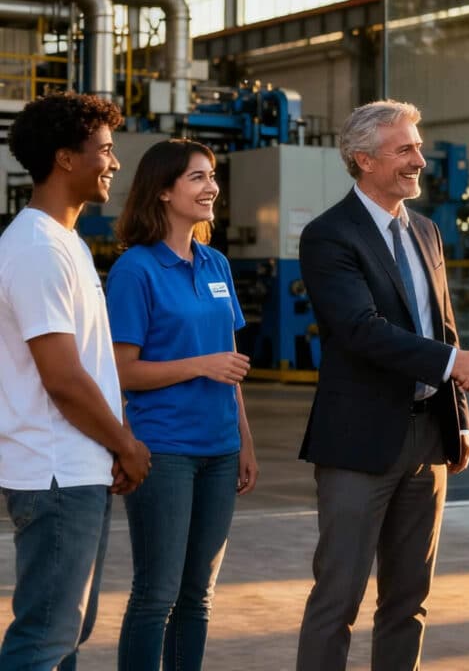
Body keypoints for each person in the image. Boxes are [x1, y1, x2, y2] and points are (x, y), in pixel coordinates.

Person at [295, 100, 469, 671]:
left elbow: (444, 326)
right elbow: (361, 330)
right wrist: (456, 363)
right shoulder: (328, 236)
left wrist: (458, 420)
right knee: (337, 600)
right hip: (358, 444)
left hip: (428, 441)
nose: (420, 160)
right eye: (405, 149)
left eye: (418, 145)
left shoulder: (427, 231)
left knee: (409, 602)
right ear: (363, 159)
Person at [0, 92, 151, 671]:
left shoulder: (68, 244)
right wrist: (126, 443)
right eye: (106, 151)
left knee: (66, 632)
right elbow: (62, 378)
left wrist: (111, 444)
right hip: (55, 470)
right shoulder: (38, 247)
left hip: (75, 467)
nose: (114, 163)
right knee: (44, 639)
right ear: (66, 158)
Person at [105, 138, 257, 670]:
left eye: (212, 175)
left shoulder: (215, 263)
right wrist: (199, 365)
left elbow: (230, 361)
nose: (211, 186)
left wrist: (244, 440)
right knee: (157, 594)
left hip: (220, 449)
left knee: (199, 596)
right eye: (197, 177)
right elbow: (122, 372)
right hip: (164, 449)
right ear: (164, 191)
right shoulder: (135, 270)